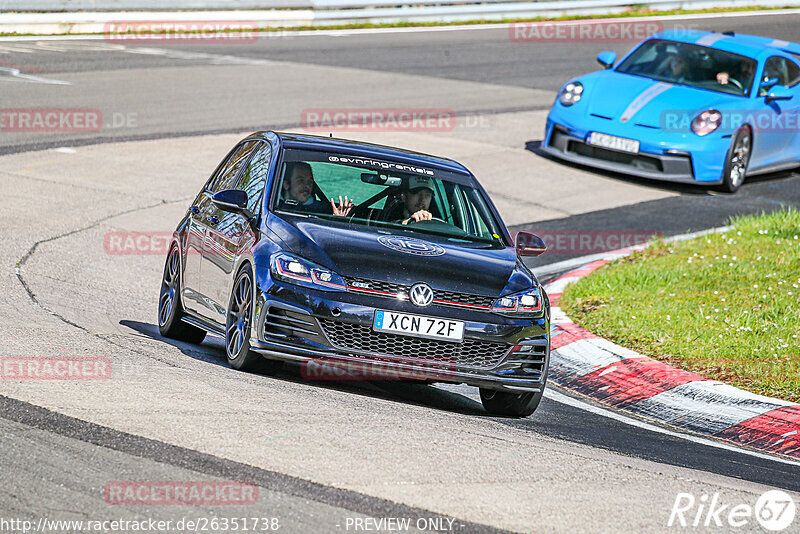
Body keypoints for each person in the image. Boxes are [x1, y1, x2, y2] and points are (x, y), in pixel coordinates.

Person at [279, 162, 352, 216]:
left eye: (310, 182)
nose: (307, 186)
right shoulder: (271, 205)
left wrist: (337, 219)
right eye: (300, 181)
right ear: (286, 184)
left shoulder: (321, 211)